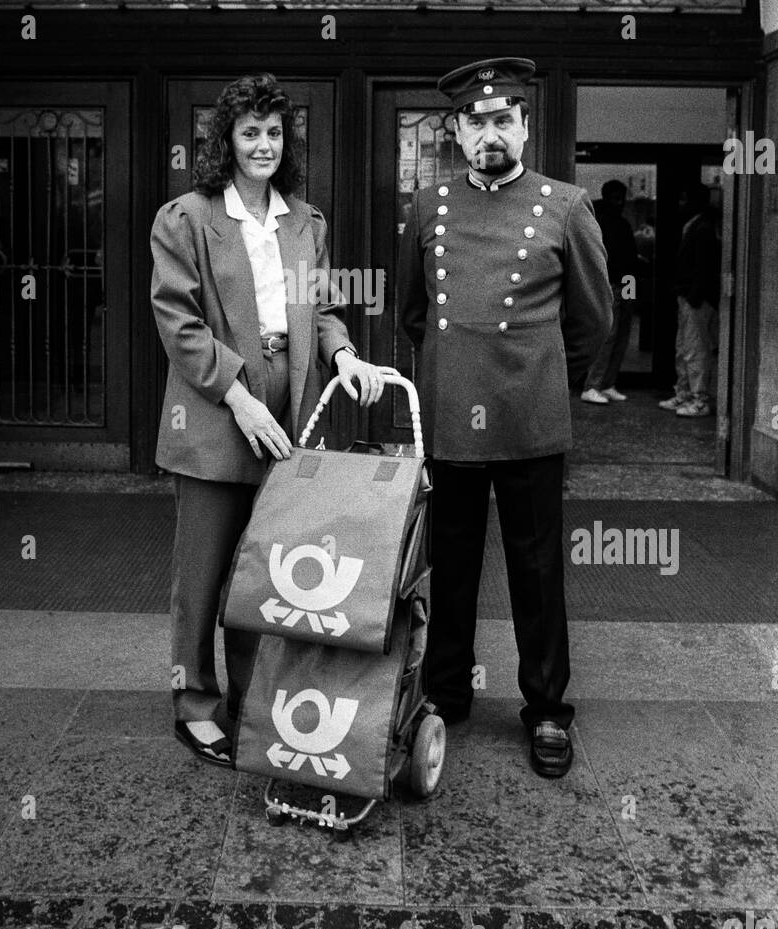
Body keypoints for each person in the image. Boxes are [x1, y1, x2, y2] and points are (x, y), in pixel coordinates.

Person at [151, 73, 384, 766]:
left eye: (274, 133)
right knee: (203, 575)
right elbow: (178, 322)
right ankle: (193, 703)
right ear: (225, 141)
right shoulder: (186, 217)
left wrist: (345, 357)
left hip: (292, 407)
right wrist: (241, 398)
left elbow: (326, 309)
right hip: (222, 409)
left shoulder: (305, 221)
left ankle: (250, 701)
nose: (263, 145)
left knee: (265, 575)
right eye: (249, 132)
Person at [397, 58, 612, 778]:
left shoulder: (566, 205)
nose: (489, 133)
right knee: (449, 565)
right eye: (475, 122)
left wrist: (548, 381)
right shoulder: (428, 208)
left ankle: (547, 709)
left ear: (524, 126)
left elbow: (593, 321)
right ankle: (447, 692)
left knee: (537, 569)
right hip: (454, 416)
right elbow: (413, 315)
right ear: (456, 132)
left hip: (529, 421)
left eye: (502, 120)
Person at [658, 181, 721, 418]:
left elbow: (704, 267)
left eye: (685, 199)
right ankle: (685, 392)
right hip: (689, 295)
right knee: (684, 348)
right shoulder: (696, 225)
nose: (681, 203)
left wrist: (694, 295)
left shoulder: (702, 228)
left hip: (695, 298)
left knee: (695, 349)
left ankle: (699, 399)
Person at [581, 179, 639, 404]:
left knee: (621, 334)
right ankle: (593, 384)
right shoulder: (600, 223)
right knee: (610, 336)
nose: (620, 203)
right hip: (614, 284)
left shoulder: (615, 223)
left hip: (622, 283)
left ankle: (606, 383)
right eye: (616, 198)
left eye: (621, 198)